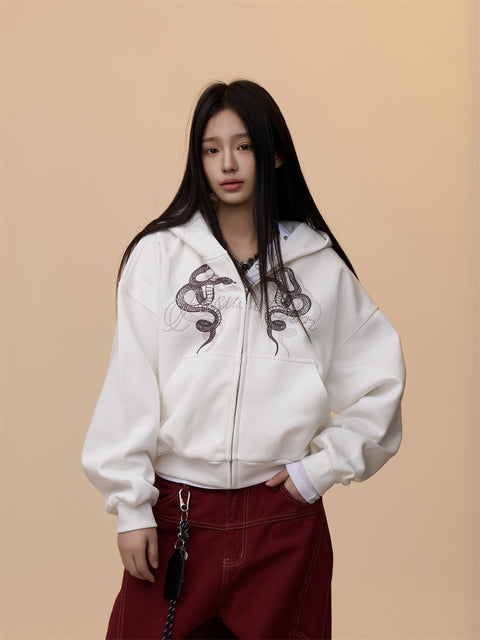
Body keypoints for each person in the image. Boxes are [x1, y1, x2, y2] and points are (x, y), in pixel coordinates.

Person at [82, 79, 406, 640]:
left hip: (282, 524)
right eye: (211, 149)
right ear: (198, 159)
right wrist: (131, 507)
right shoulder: (158, 256)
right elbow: (130, 385)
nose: (227, 163)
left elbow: (381, 383)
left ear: (274, 154)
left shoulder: (319, 266)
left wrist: (319, 470)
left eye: (244, 146)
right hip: (177, 514)